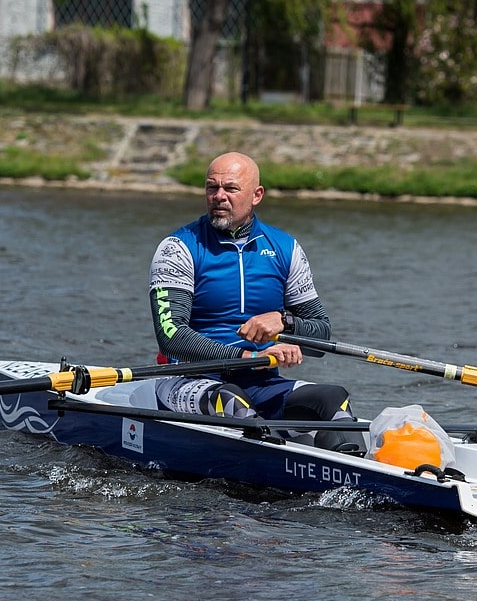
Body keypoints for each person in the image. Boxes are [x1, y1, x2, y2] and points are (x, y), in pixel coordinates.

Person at [149, 152, 361, 453]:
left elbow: (321, 337)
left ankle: (359, 477)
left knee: (333, 399)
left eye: (230, 189)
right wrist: (246, 357)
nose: (219, 196)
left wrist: (286, 323)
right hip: (187, 379)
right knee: (232, 401)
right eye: (212, 188)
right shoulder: (178, 248)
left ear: (256, 195)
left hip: (261, 383)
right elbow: (171, 337)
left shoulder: (286, 248)